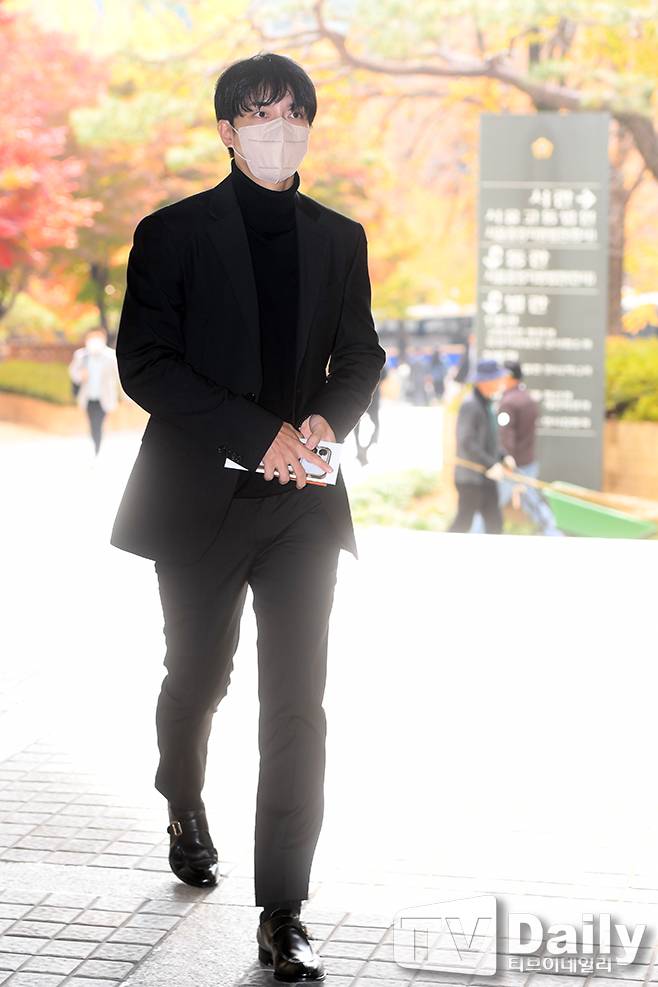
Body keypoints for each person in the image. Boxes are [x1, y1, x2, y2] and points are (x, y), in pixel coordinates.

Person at [109, 53, 386, 982]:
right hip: (200, 502)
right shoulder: (172, 233)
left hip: (303, 508)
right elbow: (146, 363)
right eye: (262, 115)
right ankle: (182, 797)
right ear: (227, 130)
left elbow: (361, 354)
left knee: (297, 702)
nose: (282, 130)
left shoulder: (339, 237)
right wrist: (254, 432)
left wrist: (326, 419)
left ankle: (284, 910)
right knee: (198, 677)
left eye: (296, 114)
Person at [448, 357, 515, 533]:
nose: (500, 382)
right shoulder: (471, 405)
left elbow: (488, 440)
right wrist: (491, 464)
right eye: (497, 379)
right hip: (471, 477)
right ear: (486, 381)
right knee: (463, 523)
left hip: (486, 478)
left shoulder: (487, 403)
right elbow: (467, 441)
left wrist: (502, 456)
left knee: (495, 523)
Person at [497, 360, 563, 536]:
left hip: (513, 464)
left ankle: (553, 533)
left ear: (510, 377)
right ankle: (553, 532)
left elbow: (506, 434)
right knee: (532, 502)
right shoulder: (528, 398)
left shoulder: (508, 403)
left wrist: (506, 458)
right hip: (528, 460)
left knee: (493, 503)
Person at [68, 327, 122, 457]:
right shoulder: (81, 356)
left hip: (104, 398)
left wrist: (126, 398)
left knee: (98, 423)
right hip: (88, 398)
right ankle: (96, 445)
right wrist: (80, 375)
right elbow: (73, 372)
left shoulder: (111, 356)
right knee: (93, 424)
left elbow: (119, 378)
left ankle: (97, 448)